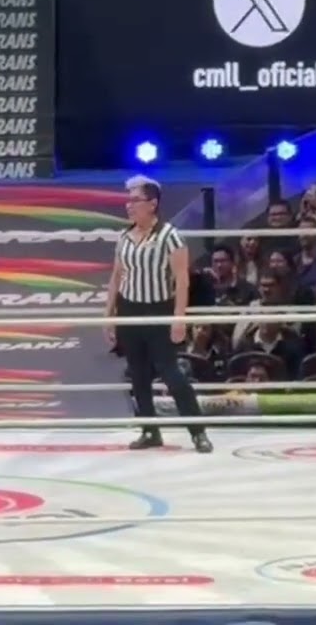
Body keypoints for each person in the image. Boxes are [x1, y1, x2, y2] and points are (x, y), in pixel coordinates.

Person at [106, 175, 213, 453]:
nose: (129, 205)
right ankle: (150, 430)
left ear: (152, 204)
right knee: (138, 374)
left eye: (135, 200)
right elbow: (116, 278)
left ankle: (198, 432)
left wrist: (179, 318)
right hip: (130, 310)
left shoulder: (170, 236)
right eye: (128, 200)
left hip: (159, 310)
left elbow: (182, 280)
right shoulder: (124, 237)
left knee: (171, 372)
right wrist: (110, 316)